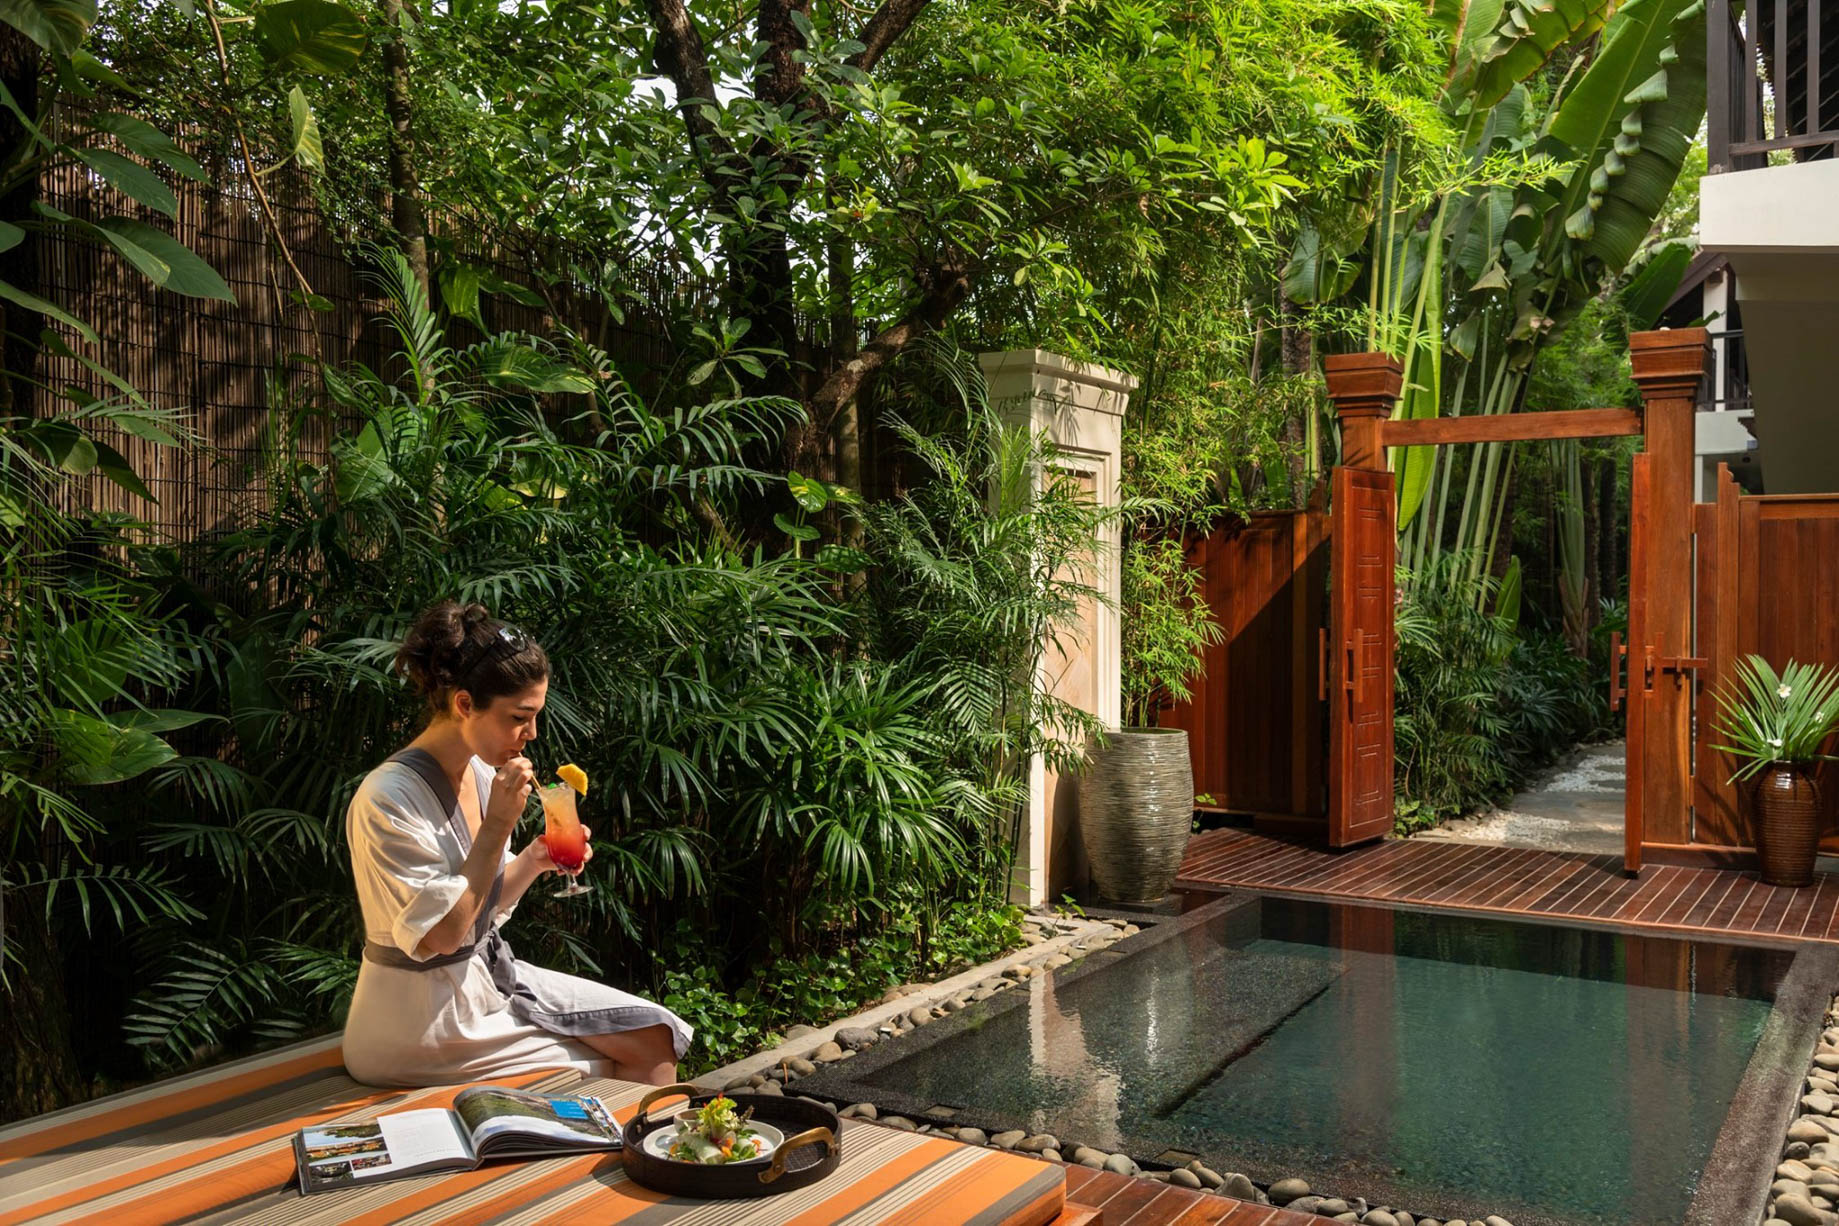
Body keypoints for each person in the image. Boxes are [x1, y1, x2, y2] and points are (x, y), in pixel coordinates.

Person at [341, 600, 692, 1087]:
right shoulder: (388, 798)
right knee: (623, 1061)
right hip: (417, 1025)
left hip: (478, 984)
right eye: (519, 717)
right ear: (465, 705)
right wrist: (496, 828)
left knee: (654, 1035)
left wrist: (534, 858)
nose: (531, 734)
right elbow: (443, 935)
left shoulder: (482, 774)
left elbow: (481, 905)